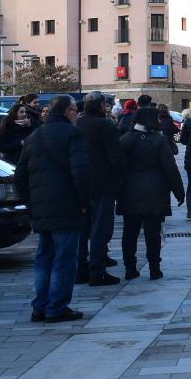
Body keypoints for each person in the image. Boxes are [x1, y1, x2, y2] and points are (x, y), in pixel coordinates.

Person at [15, 95, 92, 323]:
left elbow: (20, 176)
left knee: (44, 257)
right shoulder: (73, 134)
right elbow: (81, 171)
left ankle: (40, 306)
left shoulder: (34, 136)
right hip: (67, 206)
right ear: (68, 111)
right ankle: (57, 307)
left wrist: (31, 202)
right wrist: (84, 202)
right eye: (75, 112)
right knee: (65, 259)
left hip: (41, 208)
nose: (76, 116)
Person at [118, 107, 184, 280]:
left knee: (130, 232)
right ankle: (155, 268)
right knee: (153, 233)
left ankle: (130, 268)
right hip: (155, 191)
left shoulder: (125, 139)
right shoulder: (159, 141)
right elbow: (170, 168)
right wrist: (179, 192)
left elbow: (117, 167)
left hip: (129, 191)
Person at [73, 91, 126, 286]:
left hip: (80, 183)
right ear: (102, 105)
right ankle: (97, 271)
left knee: (82, 228)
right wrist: (121, 176)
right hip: (103, 183)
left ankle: (80, 269)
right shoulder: (106, 125)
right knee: (100, 228)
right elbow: (116, 156)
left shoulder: (77, 123)